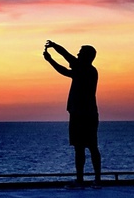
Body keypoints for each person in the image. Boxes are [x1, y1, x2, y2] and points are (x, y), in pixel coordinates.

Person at [43, 40, 101, 188]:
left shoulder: (85, 69)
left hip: (82, 114)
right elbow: (66, 64)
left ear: (87, 56)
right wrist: (53, 53)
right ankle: (89, 179)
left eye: (80, 53)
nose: (77, 54)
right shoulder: (87, 70)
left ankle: (89, 179)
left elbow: (66, 60)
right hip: (82, 113)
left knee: (87, 147)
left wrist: (52, 55)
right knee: (83, 147)